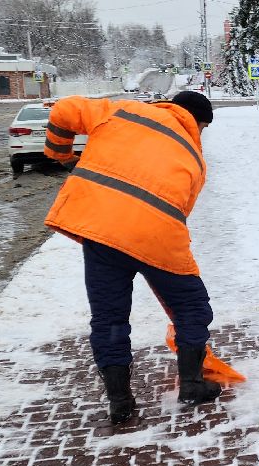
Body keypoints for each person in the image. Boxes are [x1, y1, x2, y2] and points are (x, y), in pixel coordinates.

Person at [42, 90, 220, 423]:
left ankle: (120, 401)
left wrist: (61, 155)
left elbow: (63, 110)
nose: (201, 134)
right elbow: (180, 212)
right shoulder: (195, 159)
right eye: (204, 127)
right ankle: (193, 384)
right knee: (192, 307)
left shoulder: (120, 111)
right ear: (197, 120)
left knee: (109, 318)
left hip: (100, 233)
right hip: (157, 238)